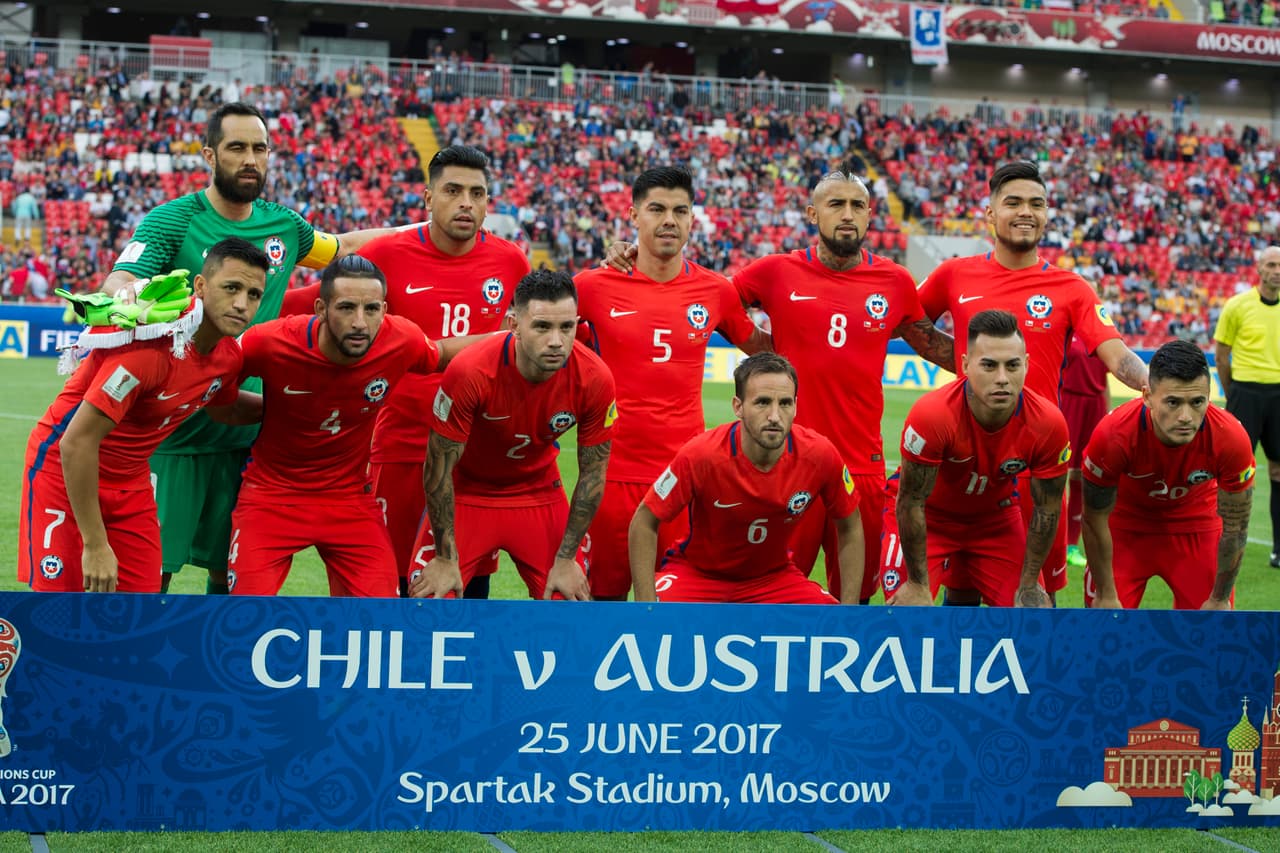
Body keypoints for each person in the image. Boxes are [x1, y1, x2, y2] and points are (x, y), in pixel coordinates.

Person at [606, 170, 954, 603]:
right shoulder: (774, 272)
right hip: (791, 466)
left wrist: (1002, 372)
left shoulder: (895, 282)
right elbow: (703, 298)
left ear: (870, 215)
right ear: (812, 213)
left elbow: (932, 344)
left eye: (857, 206)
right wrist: (630, 257)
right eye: (835, 204)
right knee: (770, 591)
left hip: (861, 464)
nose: (847, 215)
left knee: (856, 601)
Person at [100, 102, 404, 595]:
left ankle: (221, 669)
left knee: (233, 579)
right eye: (237, 147)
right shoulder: (174, 221)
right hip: (173, 431)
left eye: (259, 148)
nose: (250, 159)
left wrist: (415, 233)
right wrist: (125, 291)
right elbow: (124, 274)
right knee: (151, 573)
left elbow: (340, 248)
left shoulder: (284, 225)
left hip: (247, 433)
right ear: (208, 154)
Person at [280, 146, 529, 597]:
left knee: (467, 590)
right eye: (453, 191)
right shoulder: (386, 256)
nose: (466, 203)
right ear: (428, 198)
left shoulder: (511, 262)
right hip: (399, 447)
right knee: (393, 588)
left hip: (471, 456)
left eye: (477, 193)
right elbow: (296, 307)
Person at [916, 160, 1148, 603]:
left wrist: (1152, 384)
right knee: (960, 596)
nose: (1026, 212)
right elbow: (909, 324)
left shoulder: (1072, 287)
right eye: (1014, 202)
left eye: (1037, 204)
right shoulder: (954, 274)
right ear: (990, 214)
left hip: (1035, 460)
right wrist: (962, 362)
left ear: (1047, 214)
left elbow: (1115, 353)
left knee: (1037, 600)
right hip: (966, 460)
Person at [19, 238, 269, 593]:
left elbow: (224, 406)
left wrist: (296, 408)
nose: (242, 304)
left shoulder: (227, 357)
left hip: (131, 479)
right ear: (200, 286)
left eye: (254, 294)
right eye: (231, 288)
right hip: (64, 470)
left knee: (140, 605)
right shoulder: (150, 351)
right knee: (59, 610)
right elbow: (76, 442)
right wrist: (95, 544)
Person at [227, 256, 480, 597]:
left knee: (380, 617)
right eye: (346, 308)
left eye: (372, 309)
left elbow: (443, 353)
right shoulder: (269, 342)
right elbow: (218, 394)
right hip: (271, 497)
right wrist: (267, 408)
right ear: (321, 307)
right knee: (245, 613)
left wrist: (516, 336)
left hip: (349, 500)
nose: (360, 322)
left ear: (384, 309)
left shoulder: (400, 339)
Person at [575, 166, 767, 600]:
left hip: (684, 477)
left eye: (680, 211)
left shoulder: (716, 291)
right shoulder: (592, 286)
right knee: (599, 605)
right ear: (633, 216)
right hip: (611, 475)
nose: (669, 220)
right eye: (657, 209)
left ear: (692, 220)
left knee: (679, 608)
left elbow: (762, 348)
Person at [408, 270, 616, 601]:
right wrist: (446, 558)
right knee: (431, 601)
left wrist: (565, 560)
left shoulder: (595, 378)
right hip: (467, 494)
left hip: (538, 492)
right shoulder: (470, 371)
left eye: (566, 327)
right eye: (542, 327)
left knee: (570, 604)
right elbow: (438, 468)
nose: (556, 341)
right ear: (513, 324)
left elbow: (593, 474)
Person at [630, 352, 864, 604]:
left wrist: (848, 613)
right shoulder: (700, 455)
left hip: (773, 580)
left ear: (795, 406)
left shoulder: (820, 455)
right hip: (698, 576)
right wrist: (646, 607)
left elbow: (851, 526)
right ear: (738, 406)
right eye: (762, 402)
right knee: (653, 628)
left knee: (830, 627)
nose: (775, 416)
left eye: (785, 403)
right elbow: (644, 521)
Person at [891, 310, 1071, 608]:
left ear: (1026, 365)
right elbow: (911, 501)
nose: (1002, 378)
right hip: (929, 518)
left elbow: (1047, 509)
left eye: (1012, 365)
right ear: (965, 365)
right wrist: (917, 584)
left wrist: (1028, 585)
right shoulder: (933, 415)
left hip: (995, 520)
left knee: (1033, 619)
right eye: (989, 365)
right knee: (907, 616)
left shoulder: (1048, 424)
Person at [1081, 341, 1255, 610]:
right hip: (1125, 527)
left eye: (1197, 402)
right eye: (1173, 402)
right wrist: (1104, 592)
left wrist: (1220, 597)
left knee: (1209, 635)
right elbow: (1094, 518)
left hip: (1197, 525)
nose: (1186, 416)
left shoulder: (1230, 438)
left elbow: (1236, 528)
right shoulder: (1113, 435)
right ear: (1147, 396)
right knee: (1104, 631)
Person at [1213, 244, 1280, 569]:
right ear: (1259, 269)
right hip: (1245, 393)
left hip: (1279, 394)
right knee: (1231, 471)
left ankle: (1278, 549)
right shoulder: (1238, 305)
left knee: (1279, 471)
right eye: (1271, 264)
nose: (1277, 270)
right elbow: (1222, 354)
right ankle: (1217, 539)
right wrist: (1233, 392)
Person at [1060, 333, 1111, 568]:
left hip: (1095, 405)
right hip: (1069, 403)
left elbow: (1105, 380)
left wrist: (1107, 414)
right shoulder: (1066, 333)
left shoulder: (1104, 335)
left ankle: (1071, 545)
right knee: (1059, 472)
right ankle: (1054, 543)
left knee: (1084, 474)